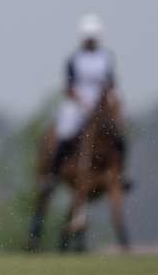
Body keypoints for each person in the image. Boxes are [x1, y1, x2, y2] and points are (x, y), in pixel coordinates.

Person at [49, 13, 128, 179]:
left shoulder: (106, 57)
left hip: (101, 99)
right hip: (79, 101)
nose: (90, 42)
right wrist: (80, 101)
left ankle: (120, 172)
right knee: (65, 129)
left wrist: (108, 97)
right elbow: (68, 87)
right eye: (88, 39)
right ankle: (54, 174)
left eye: (93, 38)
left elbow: (111, 82)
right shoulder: (73, 59)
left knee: (119, 132)